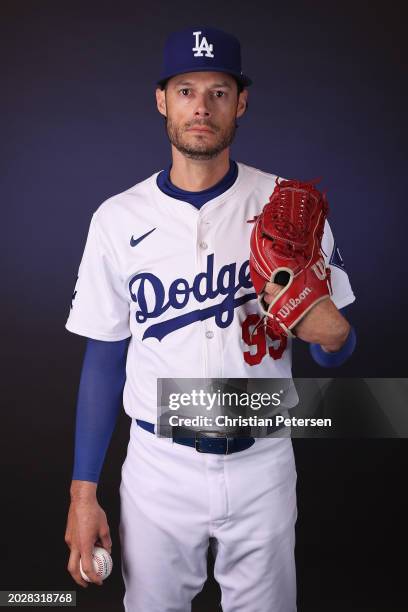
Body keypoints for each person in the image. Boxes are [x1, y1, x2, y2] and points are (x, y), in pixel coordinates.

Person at [64, 26, 356, 612]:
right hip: (157, 466)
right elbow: (104, 359)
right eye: (187, 90)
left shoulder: (286, 207)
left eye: (219, 92)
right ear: (162, 101)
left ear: (241, 103)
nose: (202, 106)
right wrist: (83, 495)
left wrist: (333, 338)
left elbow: (336, 344)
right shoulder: (117, 219)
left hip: (263, 461)